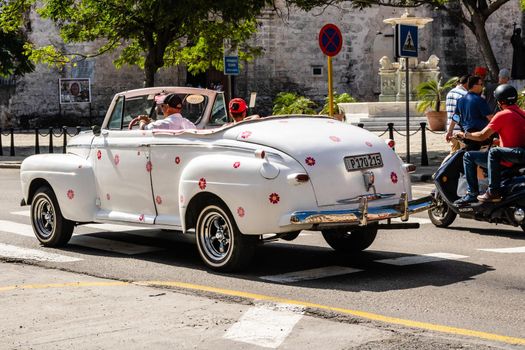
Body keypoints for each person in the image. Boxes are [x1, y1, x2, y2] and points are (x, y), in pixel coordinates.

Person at [454, 84, 525, 205]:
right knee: (495, 150)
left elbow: (482, 135)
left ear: (500, 101)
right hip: (520, 156)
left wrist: (464, 135)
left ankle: (476, 193)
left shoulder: (502, 115)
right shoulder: (522, 113)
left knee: (469, 156)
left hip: (509, 159)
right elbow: (516, 135)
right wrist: (498, 141)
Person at [445, 75, 493, 151]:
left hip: (466, 136)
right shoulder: (480, 100)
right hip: (479, 136)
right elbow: (491, 119)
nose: (482, 87)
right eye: (480, 84)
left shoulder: (460, 100)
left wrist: (449, 131)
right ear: (474, 86)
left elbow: (455, 117)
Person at [445, 75, 469, 153]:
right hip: (460, 131)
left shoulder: (449, 93)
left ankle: (445, 165)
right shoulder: (465, 95)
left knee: (453, 153)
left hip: (451, 128)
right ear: (467, 83)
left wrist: (449, 130)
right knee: (462, 155)